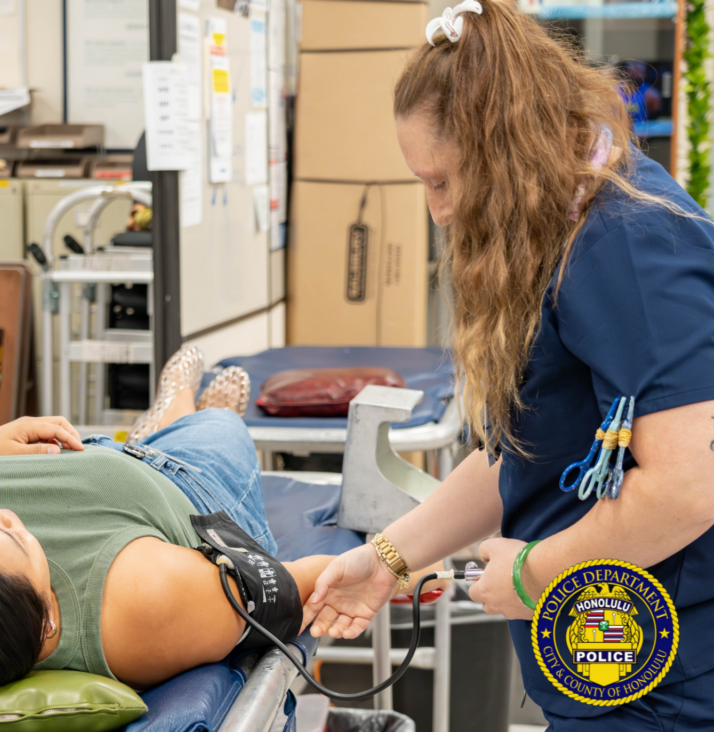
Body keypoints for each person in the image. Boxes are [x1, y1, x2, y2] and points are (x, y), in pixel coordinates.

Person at [306, 1, 714, 729]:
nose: (437, 211)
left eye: (442, 182)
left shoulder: (627, 243)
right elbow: (524, 450)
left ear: (505, 150)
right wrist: (389, 558)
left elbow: (690, 487)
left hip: (666, 679)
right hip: (600, 658)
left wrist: (532, 576)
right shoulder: (562, 233)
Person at [0, 347, 433, 728]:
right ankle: (181, 404)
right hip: (173, 482)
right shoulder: (147, 605)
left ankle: (162, 416)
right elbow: (294, 584)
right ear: (49, 624)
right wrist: (388, 561)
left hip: (34, 445)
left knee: (169, 430)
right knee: (215, 426)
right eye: (11, 537)